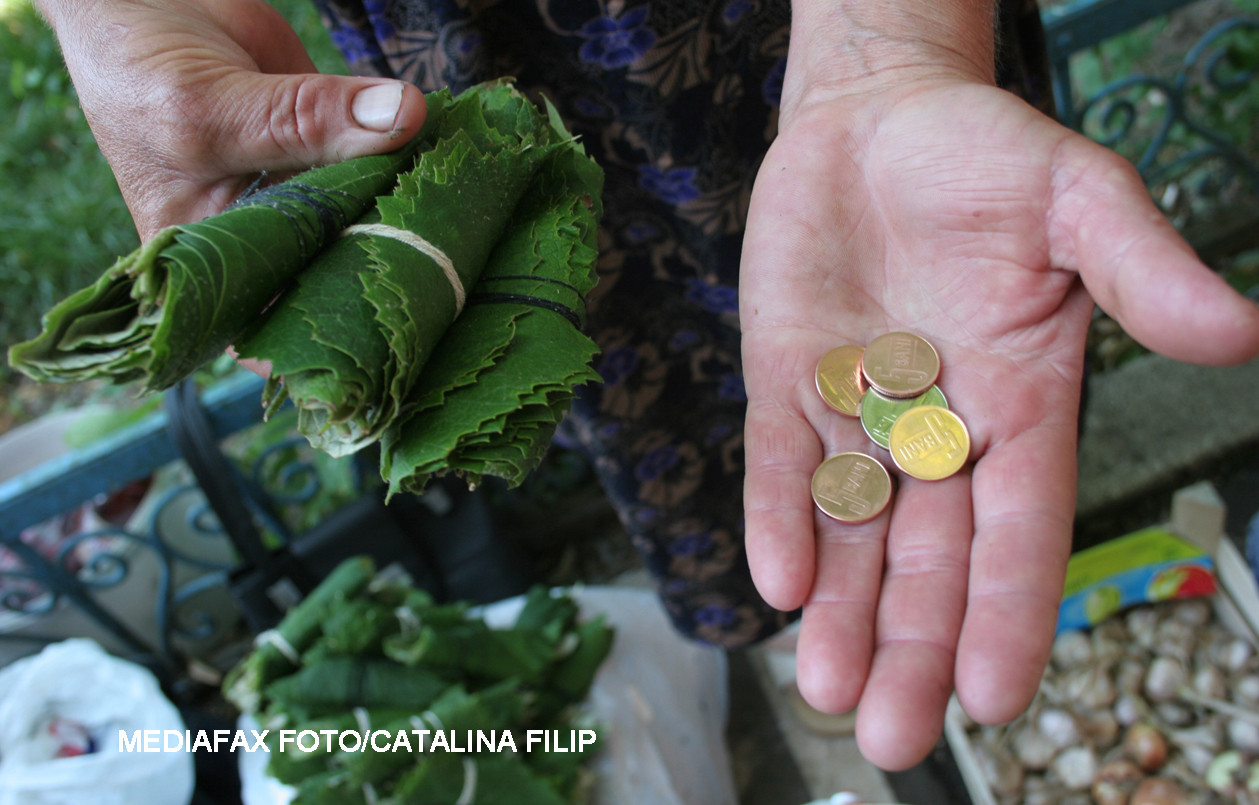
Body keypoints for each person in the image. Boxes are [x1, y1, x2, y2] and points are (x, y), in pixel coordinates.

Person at [34, 0, 1259, 771]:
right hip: (492, 64)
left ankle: (819, 623)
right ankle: (779, 629)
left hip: (832, 48)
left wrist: (896, 50)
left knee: (949, 437)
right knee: (657, 410)